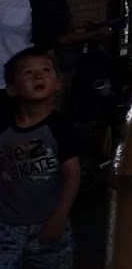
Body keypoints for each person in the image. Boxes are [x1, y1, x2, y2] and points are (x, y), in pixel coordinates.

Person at [0, 48, 79, 267]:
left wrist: (59, 218)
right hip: (6, 226)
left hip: (49, 224)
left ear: (58, 83)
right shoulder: (4, 128)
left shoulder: (60, 128)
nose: (38, 75)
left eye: (46, 70)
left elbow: (72, 175)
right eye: (28, 72)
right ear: (12, 88)